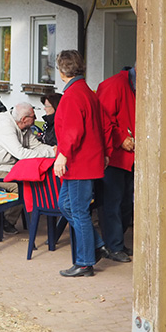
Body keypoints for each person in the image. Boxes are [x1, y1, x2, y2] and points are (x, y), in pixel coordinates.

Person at [53, 50, 113, 278]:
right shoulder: (87, 92)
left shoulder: (72, 95)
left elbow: (73, 131)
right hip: (87, 160)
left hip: (79, 163)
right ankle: (97, 245)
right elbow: (101, 125)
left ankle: (86, 262)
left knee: (77, 210)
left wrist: (63, 156)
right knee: (67, 205)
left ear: (61, 71)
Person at [0, 102, 56, 233]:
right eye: (33, 117)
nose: (36, 119)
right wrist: (51, 153)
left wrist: (54, 150)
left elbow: (35, 146)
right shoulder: (6, 128)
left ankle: (6, 219)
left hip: (4, 168)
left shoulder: (25, 128)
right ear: (24, 119)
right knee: (22, 187)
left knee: (29, 183)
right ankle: (5, 222)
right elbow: (21, 154)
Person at [96, 65, 136, 263]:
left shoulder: (132, 85)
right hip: (113, 156)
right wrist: (121, 138)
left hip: (130, 158)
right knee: (113, 203)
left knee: (125, 203)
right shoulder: (113, 86)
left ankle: (117, 243)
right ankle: (113, 246)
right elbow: (102, 120)